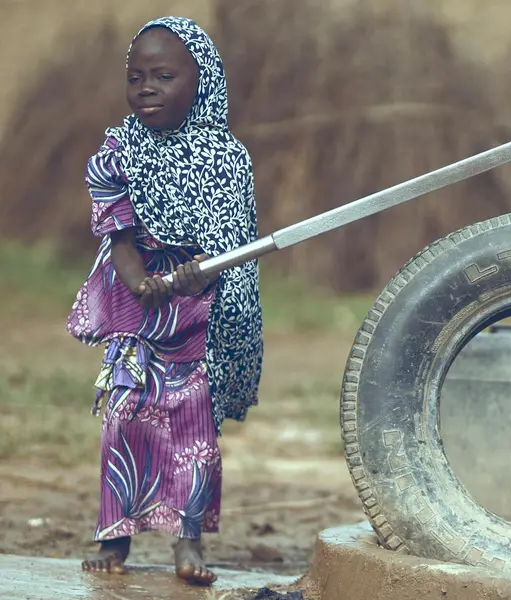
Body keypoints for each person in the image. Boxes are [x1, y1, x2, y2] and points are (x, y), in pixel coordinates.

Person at [66, 16, 264, 586]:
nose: (145, 87)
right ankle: (115, 537)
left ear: (200, 84)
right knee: (124, 419)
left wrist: (193, 278)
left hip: (200, 315)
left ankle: (188, 543)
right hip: (136, 310)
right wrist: (138, 281)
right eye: (135, 76)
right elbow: (118, 234)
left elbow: (230, 244)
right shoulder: (118, 149)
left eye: (163, 75)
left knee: (192, 426)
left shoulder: (226, 158)